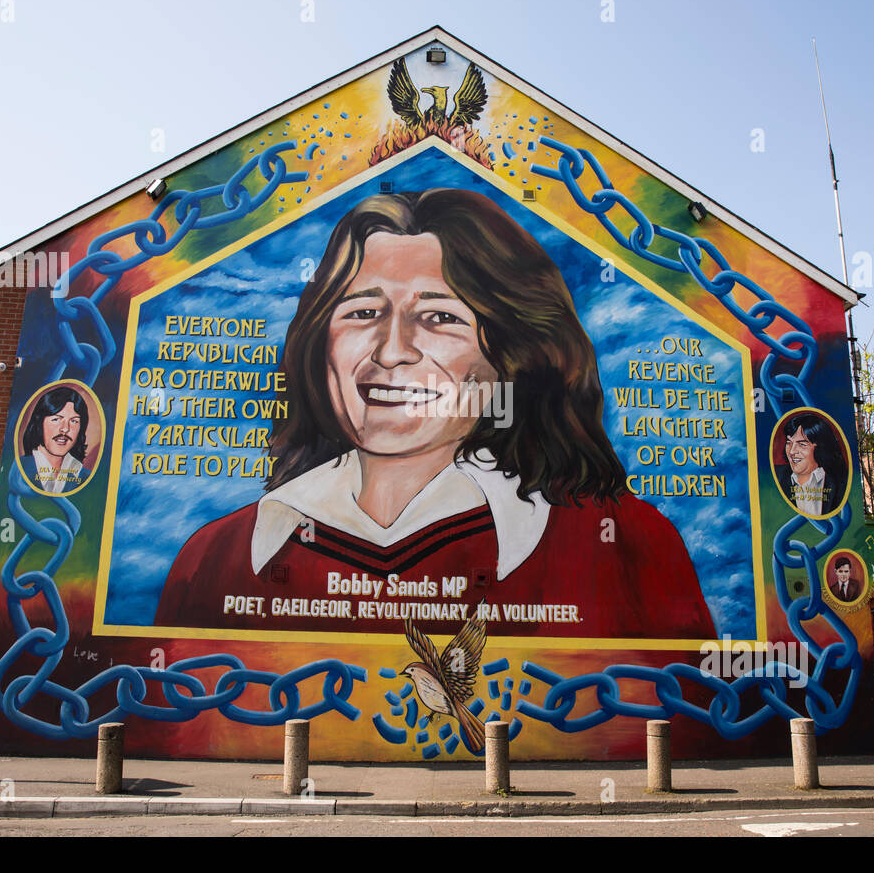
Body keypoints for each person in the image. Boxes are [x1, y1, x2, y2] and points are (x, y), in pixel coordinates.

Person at [156, 189, 714, 640]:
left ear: (512, 353)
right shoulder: (220, 557)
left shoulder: (621, 546)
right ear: (319, 343)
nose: (391, 350)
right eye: (363, 312)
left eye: (439, 317)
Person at [19, 385, 92, 494]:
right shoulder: (19, 469)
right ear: (40, 423)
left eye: (74, 421)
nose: (65, 429)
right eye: (56, 419)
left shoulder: (86, 477)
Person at [774, 412, 846, 517]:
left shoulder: (839, 481)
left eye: (802, 444)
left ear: (820, 448)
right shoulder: (776, 476)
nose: (792, 451)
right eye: (789, 443)